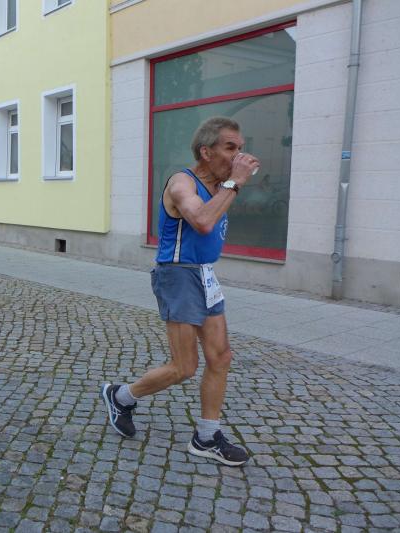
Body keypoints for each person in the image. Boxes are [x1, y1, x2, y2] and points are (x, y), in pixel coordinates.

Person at [101, 117, 259, 467]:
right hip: (177, 275)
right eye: (230, 147)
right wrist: (235, 182)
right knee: (184, 366)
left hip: (204, 274)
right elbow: (201, 221)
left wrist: (229, 184)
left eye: (240, 148)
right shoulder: (181, 182)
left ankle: (207, 436)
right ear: (206, 152)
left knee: (221, 357)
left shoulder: (220, 186)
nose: (238, 155)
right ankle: (121, 396)